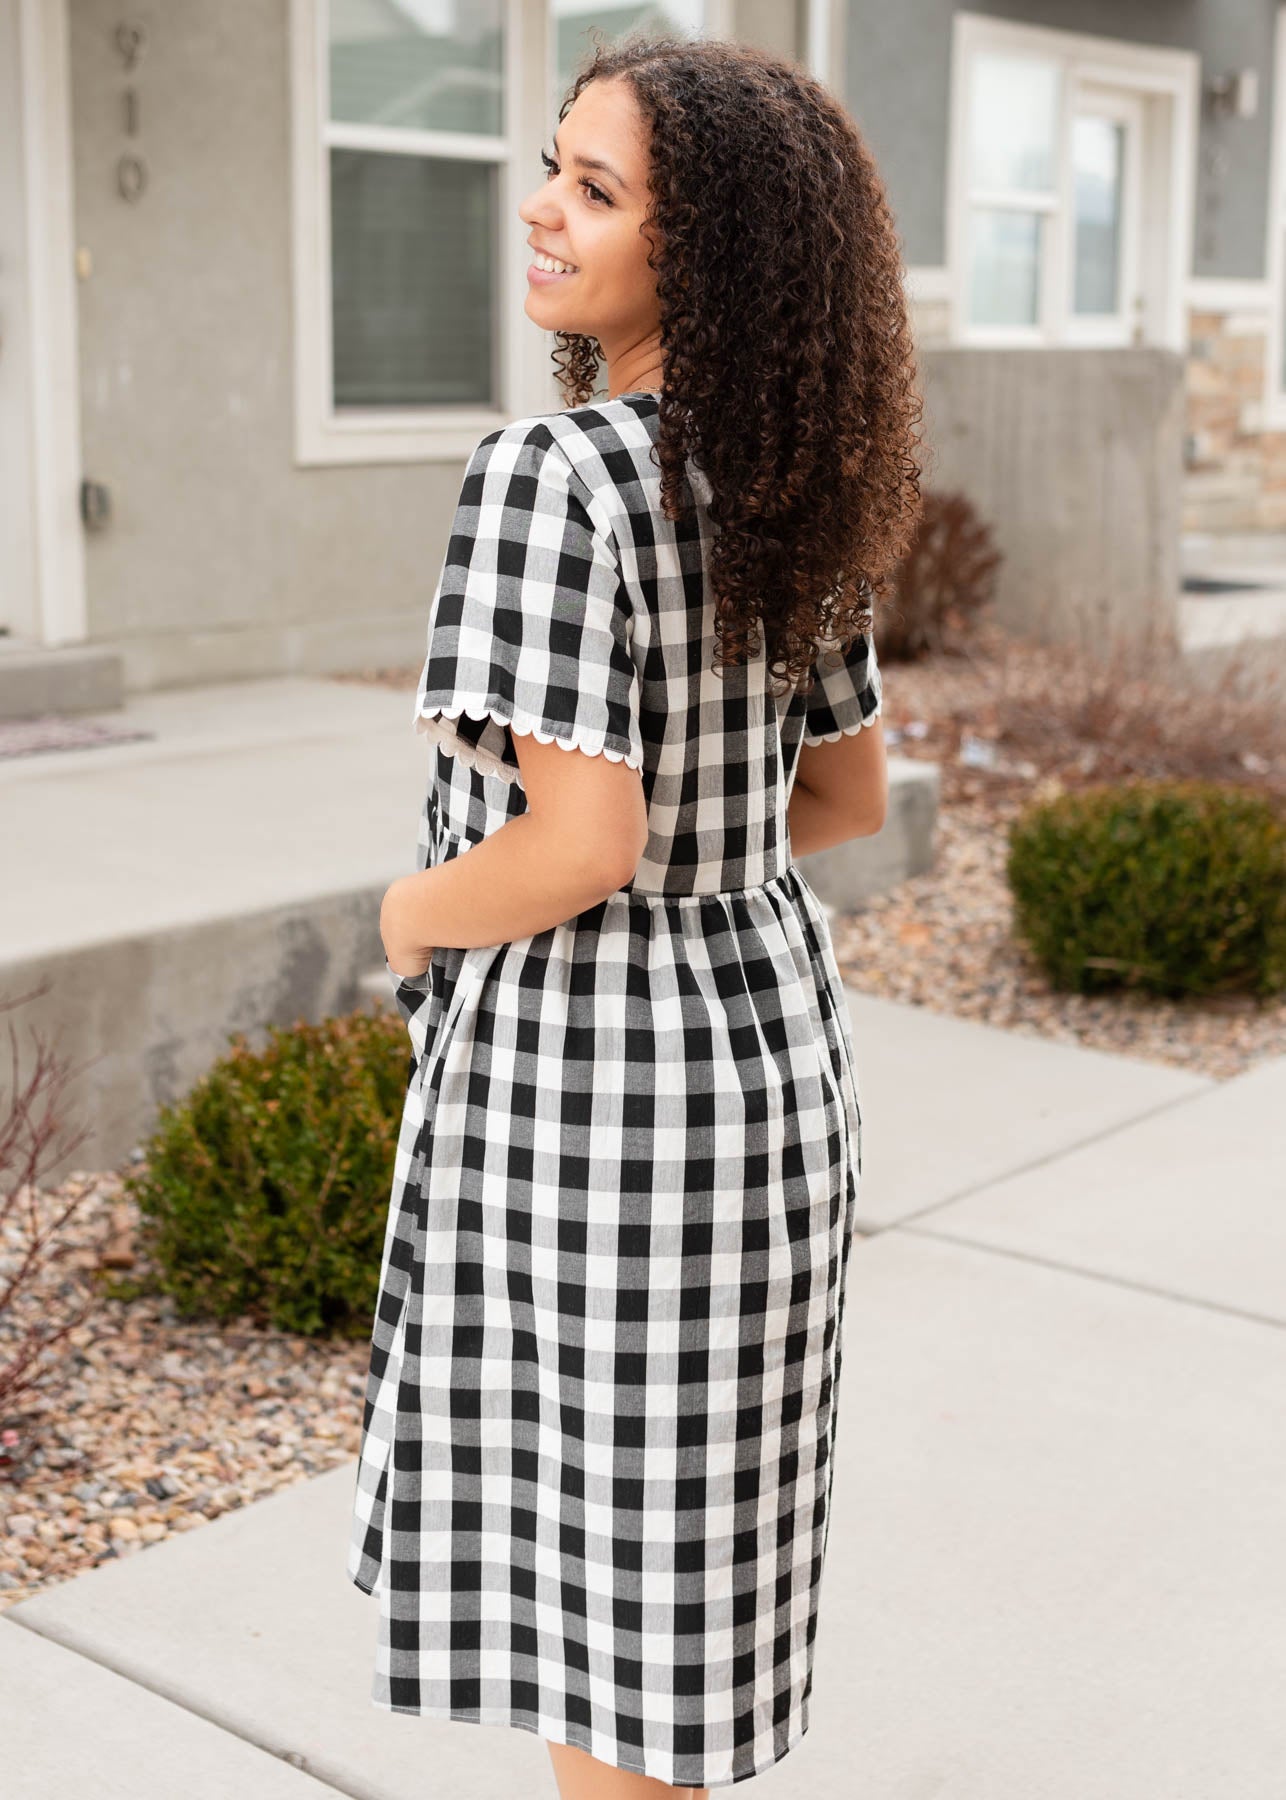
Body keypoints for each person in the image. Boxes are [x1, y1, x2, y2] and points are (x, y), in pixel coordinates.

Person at [347, 30, 923, 1799]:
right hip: (762, 1064)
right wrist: (705, 861)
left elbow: (576, 843)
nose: (541, 209)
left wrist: (407, 913)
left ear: (714, 253)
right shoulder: (780, 476)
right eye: (554, 164)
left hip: (594, 1086)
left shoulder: (554, 474)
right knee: (681, 1612)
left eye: (597, 192)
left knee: (595, 1636)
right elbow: (845, 796)